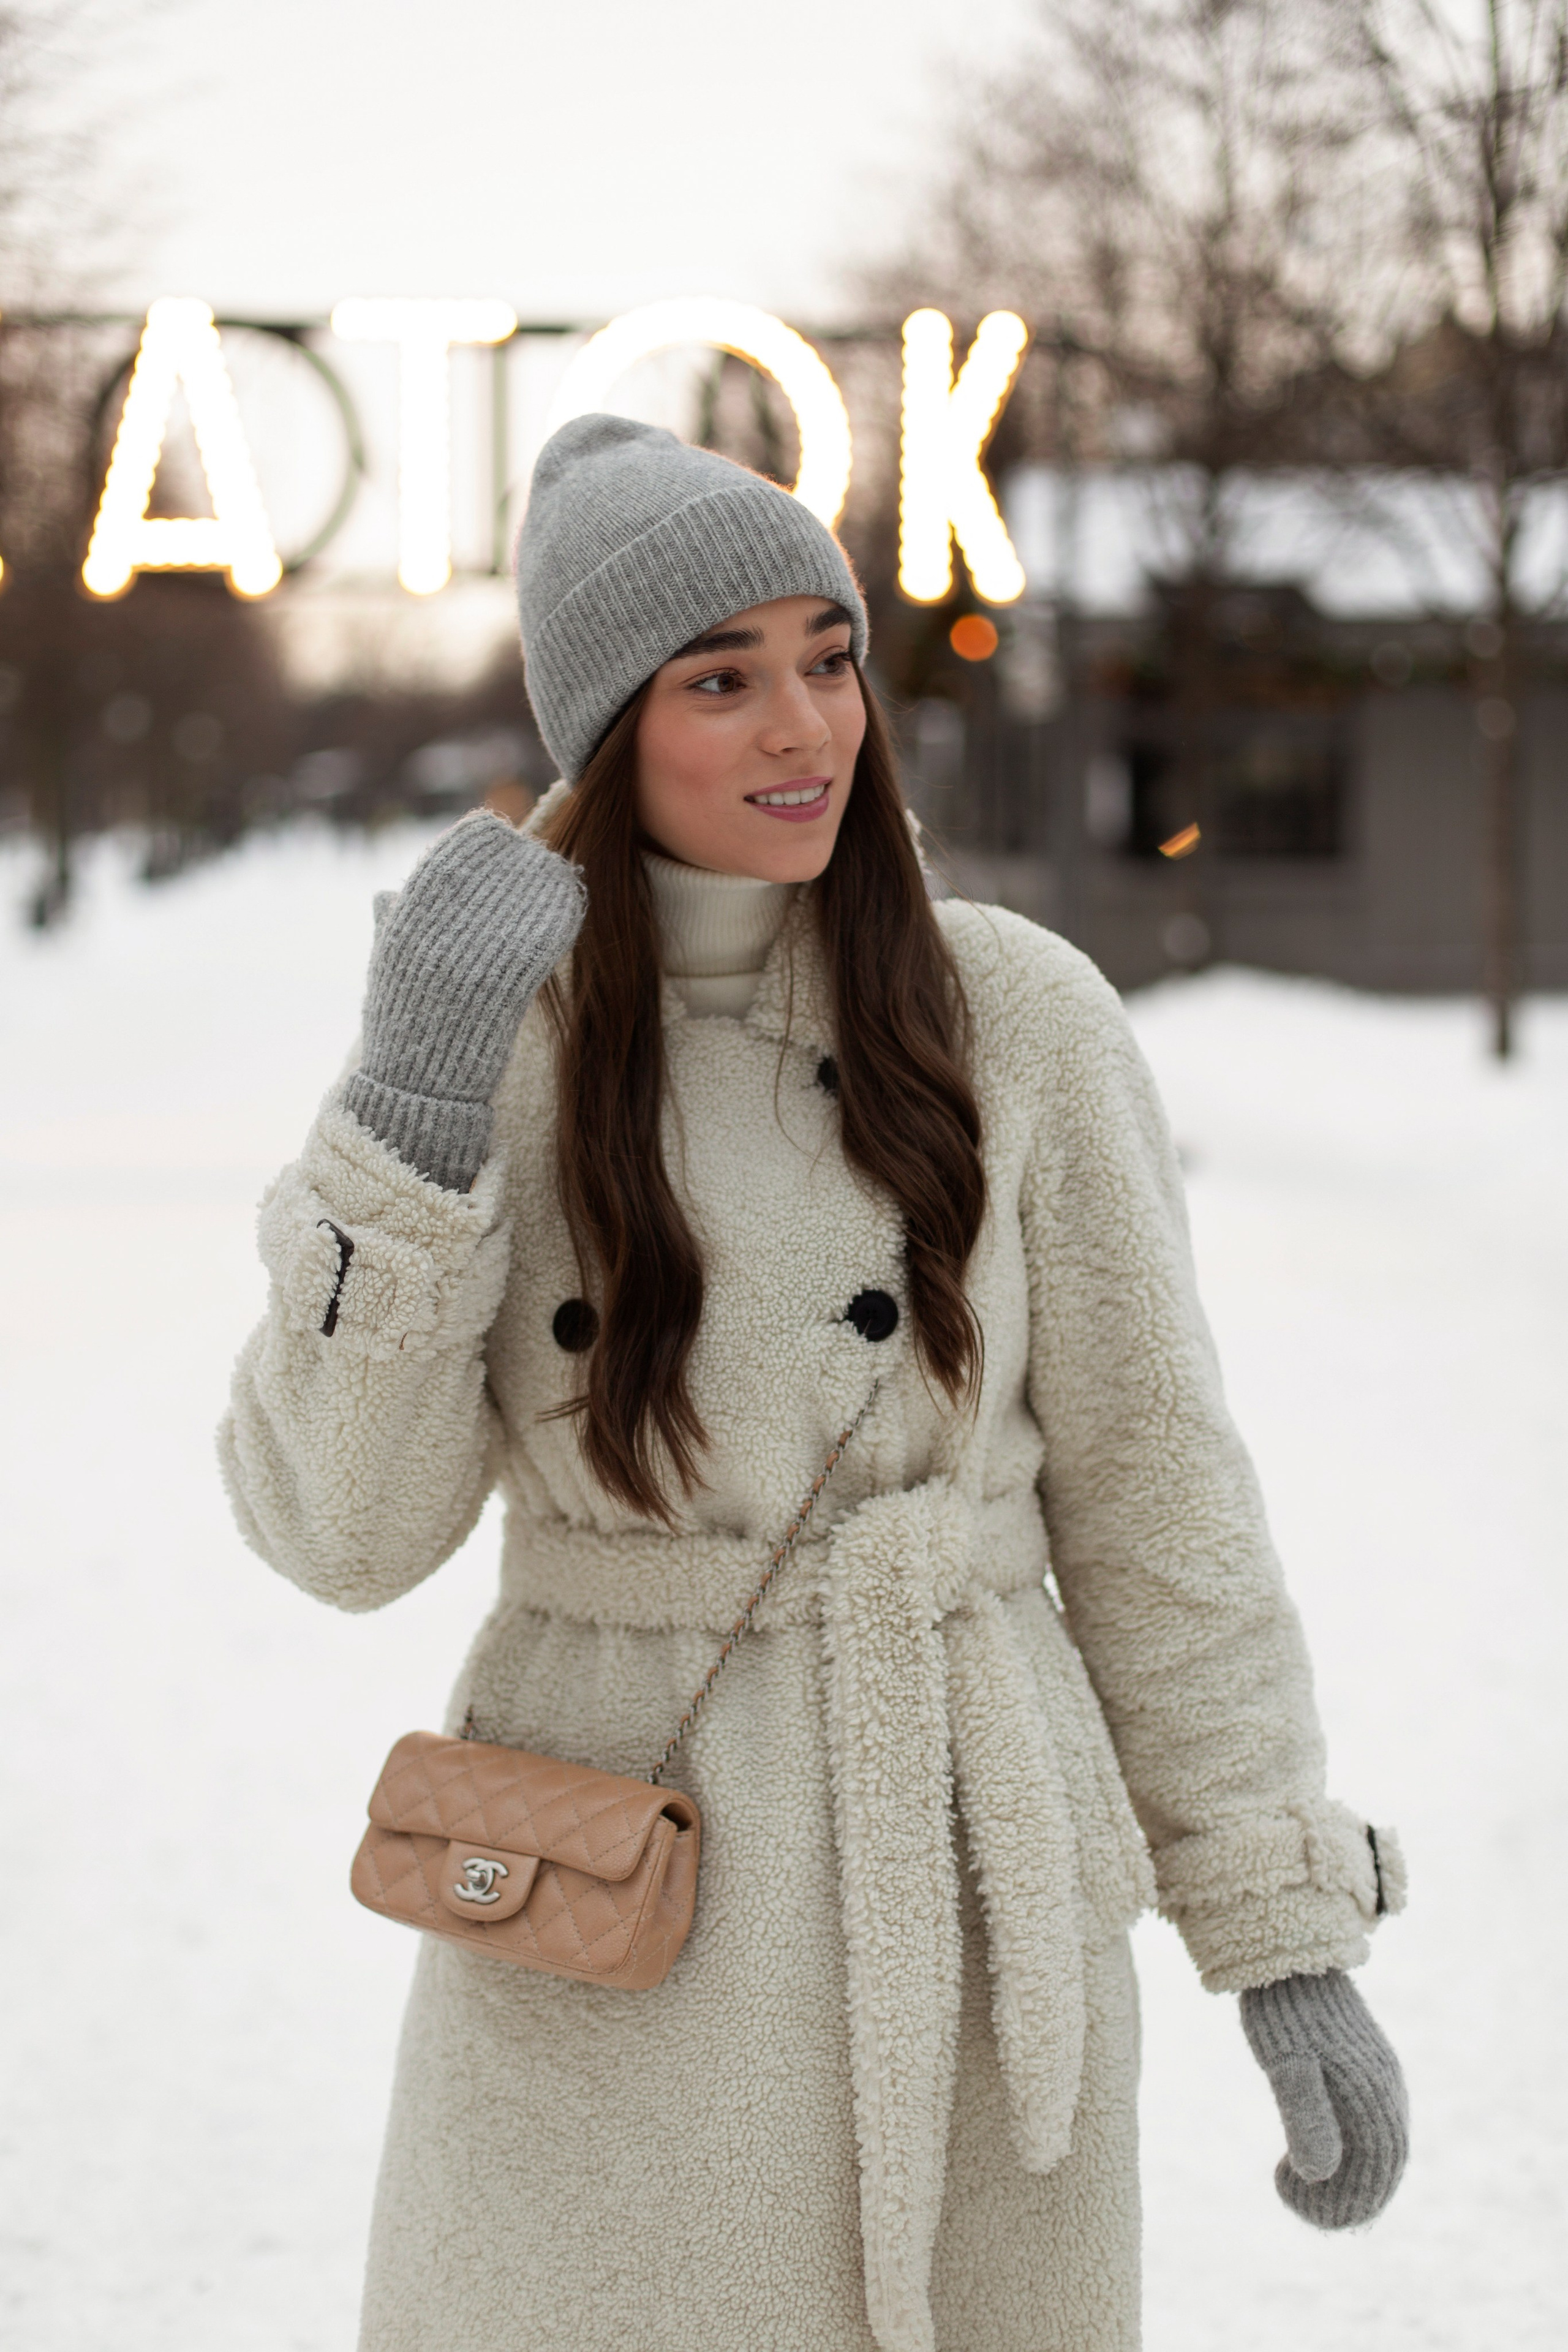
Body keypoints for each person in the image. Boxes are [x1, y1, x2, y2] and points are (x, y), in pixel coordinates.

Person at [219, 414, 1408, 2352]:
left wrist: (1283, 1939)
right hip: (611, 1914)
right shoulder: (494, 1060)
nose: (805, 728)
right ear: (609, 740)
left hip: (963, 1862)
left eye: (829, 657)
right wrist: (409, 1109)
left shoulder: (1010, 1015)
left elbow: (1161, 1501)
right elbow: (340, 1534)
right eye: (721, 680)